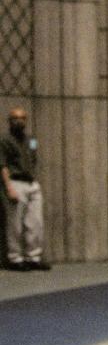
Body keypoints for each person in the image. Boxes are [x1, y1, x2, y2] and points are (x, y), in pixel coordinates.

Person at [2, 107, 50, 271]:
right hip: (15, 182)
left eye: (22, 118)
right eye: (15, 118)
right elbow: (3, 166)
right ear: (10, 121)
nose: (19, 121)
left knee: (35, 222)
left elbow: (34, 159)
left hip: (31, 183)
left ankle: (33, 256)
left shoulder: (31, 139)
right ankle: (15, 258)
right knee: (15, 223)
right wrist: (9, 188)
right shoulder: (4, 140)